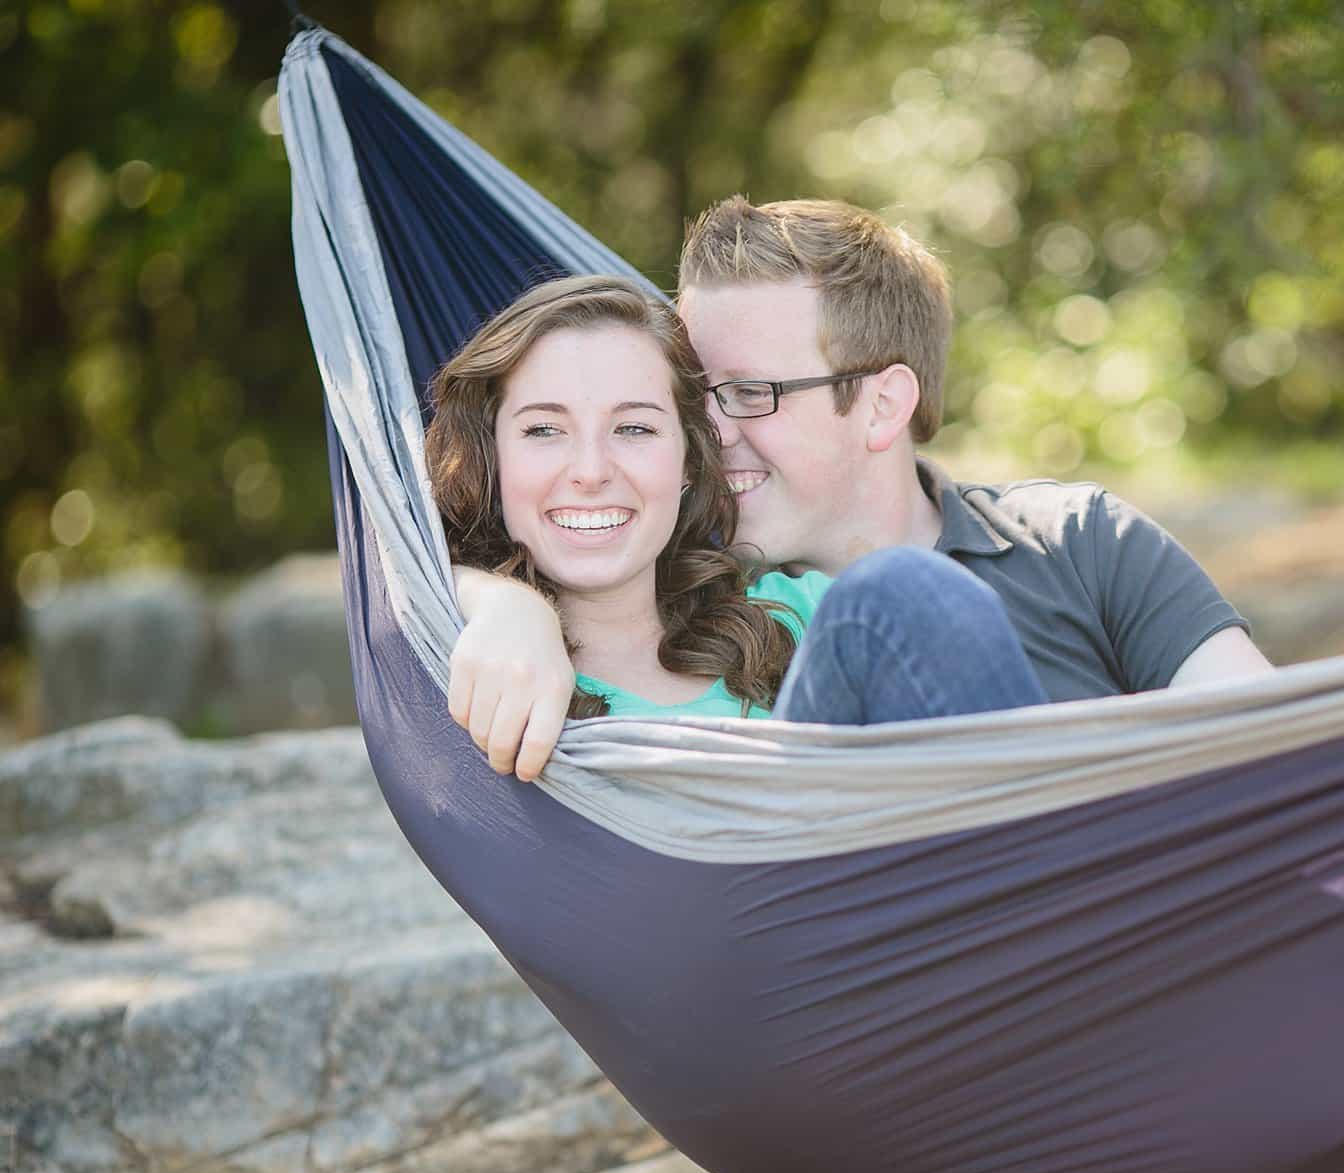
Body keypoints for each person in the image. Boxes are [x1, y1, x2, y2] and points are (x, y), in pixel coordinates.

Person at [451, 197, 1274, 778]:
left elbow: (1279, 746)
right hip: (859, 958)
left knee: (898, 596)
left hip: (1131, 935)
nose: (709, 431)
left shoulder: (1074, 541)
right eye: (695, 398)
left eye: (749, 393)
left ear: (882, 405)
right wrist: (500, 603)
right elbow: (534, 533)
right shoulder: (688, 579)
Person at [427, 274, 830, 728]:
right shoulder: (461, 662)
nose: (591, 471)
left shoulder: (802, 619)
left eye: (634, 428)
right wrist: (497, 602)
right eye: (543, 430)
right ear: (492, 458)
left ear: (689, 461)